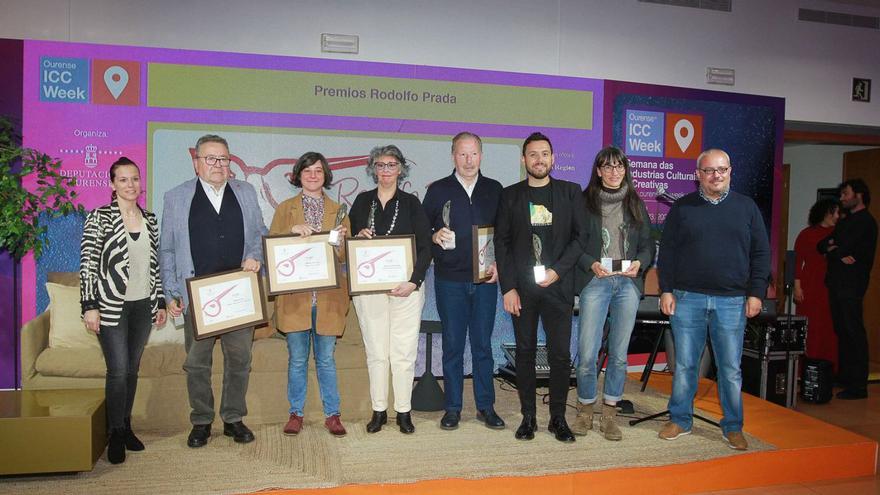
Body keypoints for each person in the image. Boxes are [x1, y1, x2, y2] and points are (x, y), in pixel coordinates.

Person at [159, 134, 267, 448]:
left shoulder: (246, 192)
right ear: (197, 162)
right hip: (197, 296)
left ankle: (233, 418)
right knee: (197, 363)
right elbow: (166, 250)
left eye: (223, 159)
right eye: (211, 159)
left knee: (239, 359)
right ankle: (202, 421)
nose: (218, 165)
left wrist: (255, 257)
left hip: (239, 295)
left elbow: (259, 235)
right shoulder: (176, 197)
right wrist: (171, 292)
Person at [658, 149, 770, 451]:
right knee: (685, 365)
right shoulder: (682, 208)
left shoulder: (747, 208)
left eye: (721, 169)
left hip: (732, 301)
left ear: (730, 171)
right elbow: (666, 252)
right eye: (708, 170)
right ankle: (680, 419)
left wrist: (756, 293)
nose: (715, 175)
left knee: (730, 369)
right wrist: (665, 290)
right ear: (698, 174)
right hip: (686, 298)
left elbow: (761, 254)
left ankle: (733, 426)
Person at [494, 132, 588, 443]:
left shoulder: (571, 193)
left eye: (544, 154)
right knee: (525, 352)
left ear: (553, 158)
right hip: (522, 290)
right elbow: (502, 244)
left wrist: (557, 272)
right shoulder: (510, 196)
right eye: (533, 155)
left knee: (561, 355)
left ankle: (557, 419)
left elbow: (580, 239)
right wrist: (508, 288)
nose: (539, 160)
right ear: (524, 160)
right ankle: (529, 418)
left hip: (558, 288)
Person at [80, 157, 167, 464]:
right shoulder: (99, 217)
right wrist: (89, 306)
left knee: (131, 369)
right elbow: (88, 264)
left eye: (135, 179)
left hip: (143, 305)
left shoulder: (151, 220)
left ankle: (126, 426)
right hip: (110, 306)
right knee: (117, 371)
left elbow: (153, 266)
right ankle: (115, 433)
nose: (131, 185)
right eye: (123, 180)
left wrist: (159, 302)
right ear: (112, 184)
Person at [423, 132, 505, 431]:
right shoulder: (437, 190)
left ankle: (486, 406)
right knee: (454, 345)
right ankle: (453, 408)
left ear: (481, 156)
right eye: (462, 154)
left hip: (486, 281)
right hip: (450, 282)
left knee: (483, 345)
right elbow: (423, 231)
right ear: (452, 156)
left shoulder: (495, 190)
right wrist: (433, 236)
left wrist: (500, 264)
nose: (468, 160)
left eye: (473, 154)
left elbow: (506, 235)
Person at [349, 145, 432, 434]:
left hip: (406, 290)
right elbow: (347, 246)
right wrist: (356, 238)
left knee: (403, 352)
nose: (386, 170)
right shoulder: (361, 202)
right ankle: (379, 410)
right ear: (373, 169)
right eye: (380, 165)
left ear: (401, 169)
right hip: (369, 292)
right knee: (376, 353)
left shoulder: (411, 203)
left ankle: (404, 411)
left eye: (391, 165)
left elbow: (425, 246)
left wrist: (414, 281)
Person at [572, 146, 653, 440]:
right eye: (607, 167)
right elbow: (573, 243)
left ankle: (610, 414)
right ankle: (584, 411)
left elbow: (647, 245)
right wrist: (590, 264)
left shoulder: (635, 203)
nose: (613, 172)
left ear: (625, 170)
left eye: (619, 167)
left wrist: (640, 264)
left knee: (618, 355)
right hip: (596, 282)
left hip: (627, 285)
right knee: (587, 353)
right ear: (598, 171)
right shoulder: (583, 202)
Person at [269, 152, 350, 437]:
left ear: (325, 175)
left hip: (328, 299)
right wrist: (291, 231)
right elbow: (272, 251)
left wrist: (340, 242)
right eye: (307, 171)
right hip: (295, 299)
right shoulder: (285, 209)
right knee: (298, 359)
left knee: (326, 359)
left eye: (318, 171)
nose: (313, 175)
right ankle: (296, 413)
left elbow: (344, 257)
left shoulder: (339, 210)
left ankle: (333, 414)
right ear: (298, 175)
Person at [819, 179, 877, 400]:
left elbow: (843, 248)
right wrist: (837, 251)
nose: (842, 198)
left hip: (852, 285)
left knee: (853, 332)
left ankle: (858, 385)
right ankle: (844, 376)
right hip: (837, 282)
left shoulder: (866, 222)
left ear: (859, 195)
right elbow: (823, 245)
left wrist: (835, 249)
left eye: (846, 194)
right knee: (842, 330)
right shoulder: (846, 222)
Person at [794, 198, 840, 372]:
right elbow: (797, 261)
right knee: (811, 327)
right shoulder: (807, 234)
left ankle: (829, 370)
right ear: (826, 213)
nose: (838, 216)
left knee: (830, 328)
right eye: (835, 212)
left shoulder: (839, 232)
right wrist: (797, 287)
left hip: (832, 285)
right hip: (811, 284)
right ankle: (805, 370)